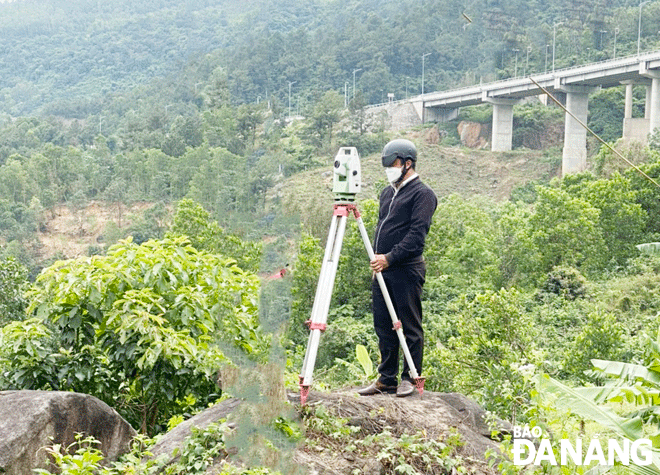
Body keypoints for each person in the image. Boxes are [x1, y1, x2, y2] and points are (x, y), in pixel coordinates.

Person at [357, 138, 437, 397]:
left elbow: (416, 237)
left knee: (409, 324)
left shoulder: (423, 194)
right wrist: (379, 261)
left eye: (393, 164)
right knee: (383, 323)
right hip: (383, 270)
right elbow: (381, 227)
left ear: (408, 163)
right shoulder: (387, 192)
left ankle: (410, 378)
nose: (389, 169)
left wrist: (389, 257)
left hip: (406, 269)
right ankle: (386, 377)